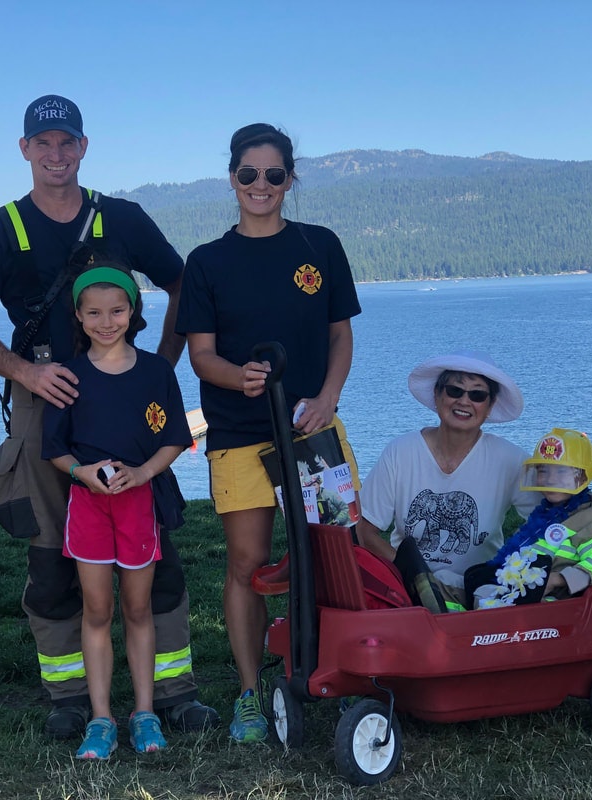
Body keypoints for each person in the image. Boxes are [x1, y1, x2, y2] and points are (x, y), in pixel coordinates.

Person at [0, 94, 218, 738]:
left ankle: (174, 692)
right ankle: (70, 697)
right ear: (24, 150)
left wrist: (158, 364)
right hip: (45, 405)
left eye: (66, 142)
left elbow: (183, 285)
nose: (55, 153)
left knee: (151, 537)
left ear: (83, 147)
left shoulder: (122, 217)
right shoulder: (2, 230)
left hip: (129, 403)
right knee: (53, 555)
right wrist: (29, 374)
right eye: (42, 142)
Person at [176, 123, 362, 743]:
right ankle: (252, 693)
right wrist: (239, 377)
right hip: (236, 434)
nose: (261, 185)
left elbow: (340, 334)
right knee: (248, 564)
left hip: (315, 432)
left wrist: (328, 397)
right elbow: (200, 355)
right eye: (249, 174)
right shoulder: (206, 262)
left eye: (274, 175)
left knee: (338, 551)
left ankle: (344, 670)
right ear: (232, 178)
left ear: (290, 179)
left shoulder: (321, 245)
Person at [41, 266, 192, 758]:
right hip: (88, 505)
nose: (107, 322)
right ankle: (101, 719)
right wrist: (82, 472)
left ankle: (144, 713)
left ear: (133, 312)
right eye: (94, 313)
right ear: (80, 317)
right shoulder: (69, 375)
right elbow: (54, 448)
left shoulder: (155, 372)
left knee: (138, 607)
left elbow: (173, 438)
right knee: (98, 609)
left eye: (117, 311)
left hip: (137, 505)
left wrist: (144, 473)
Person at [355, 350, 592, 612]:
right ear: (437, 396)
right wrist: (413, 576)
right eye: (454, 390)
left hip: (484, 581)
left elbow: (563, 500)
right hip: (406, 583)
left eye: (477, 395)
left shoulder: (508, 458)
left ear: (489, 407)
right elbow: (364, 531)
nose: (464, 401)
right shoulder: (400, 452)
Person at [466, 428, 592, 608]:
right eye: (544, 471)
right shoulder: (543, 515)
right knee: (457, 581)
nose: (551, 479)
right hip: (519, 591)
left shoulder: (588, 519)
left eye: (561, 471)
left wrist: (558, 580)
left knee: (481, 600)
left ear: (583, 476)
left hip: (552, 605)